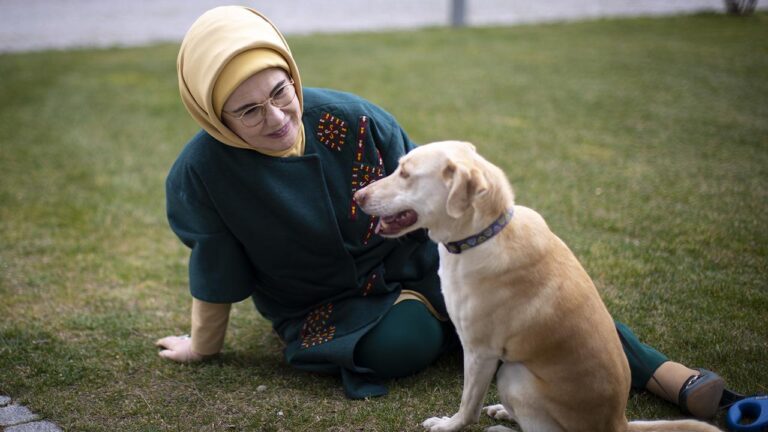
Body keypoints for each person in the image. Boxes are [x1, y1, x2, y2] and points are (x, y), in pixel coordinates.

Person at [156, 5, 728, 418]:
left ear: (292, 74)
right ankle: (470, 331)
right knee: (405, 343)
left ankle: (670, 377)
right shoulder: (201, 174)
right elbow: (217, 269)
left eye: (281, 91)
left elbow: (426, 194)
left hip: (422, 258)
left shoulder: (356, 118)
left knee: (539, 300)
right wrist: (202, 345)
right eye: (248, 111)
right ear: (213, 116)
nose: (278, 118)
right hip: (324, 305)